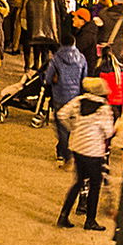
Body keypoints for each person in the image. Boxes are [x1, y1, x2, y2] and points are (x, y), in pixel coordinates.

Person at [56, 78, 115, 231]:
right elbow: (108, 132)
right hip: (93, 151)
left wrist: (73, 128)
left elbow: (61, 114)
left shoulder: (78, 101)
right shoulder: (103, 108)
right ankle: (90, 220)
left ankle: (63, 216)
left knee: (78, 182)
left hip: (77, 147)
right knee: (95, 185)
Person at [44, 36, 88, 164]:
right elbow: (84, 78)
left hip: (59, 95)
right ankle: (66, 148)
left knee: (61, 125)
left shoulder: (56, 59)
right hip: (74, 96)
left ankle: (64, 153)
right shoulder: (81, 58)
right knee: (71, 124)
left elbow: (48, 78)